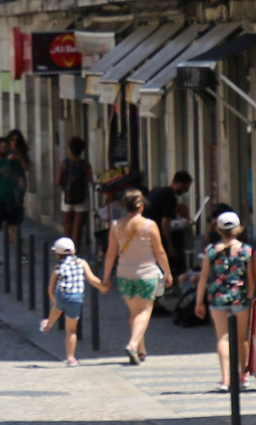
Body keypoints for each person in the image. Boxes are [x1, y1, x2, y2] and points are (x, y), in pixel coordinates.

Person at [103, 188, 171, 364]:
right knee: (144, 311)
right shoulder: (150, 225)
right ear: (141, 205)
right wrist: (167, 272)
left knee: (134, 313)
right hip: (146, 274)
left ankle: (141, 351)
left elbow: (111, 254)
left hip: (124, 274)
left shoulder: (116, 226)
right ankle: (133, 345)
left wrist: (105, 277)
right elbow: (160, 252)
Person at [201, 212, 256, 392]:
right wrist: (250, 293)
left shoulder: (211, 251)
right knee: (242, 338)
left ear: (219, 229)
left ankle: (225, 379)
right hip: (239, 295)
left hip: (217, 296)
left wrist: (198, 302)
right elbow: (251, 278)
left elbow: (203, 278)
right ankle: (244, 374)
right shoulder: (247, 250)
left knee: (223, 337)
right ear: (238, 229)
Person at [40, 235, 106, 366]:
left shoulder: (57, 268)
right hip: (76, 298)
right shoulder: (81, 263)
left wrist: (55, 301)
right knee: (71, 330)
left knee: (57, 309)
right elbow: (92, 279)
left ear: (57, 253)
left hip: (61, 295)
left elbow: (50, 289)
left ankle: (48, 325)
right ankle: (71, 358)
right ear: (74, 251)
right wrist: (103, 287)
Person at [0, 136, 29, 263]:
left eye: (7, 147)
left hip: (10, 199)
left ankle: (20, 254)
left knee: (13, 227)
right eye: (4, 148)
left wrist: (18, 180)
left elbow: (9, 175)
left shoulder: (6, 162)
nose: (6, 150)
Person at [55, 136, 93, 248]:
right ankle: (75, 252)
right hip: (81, 198)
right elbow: (90, 181)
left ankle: (65, 251)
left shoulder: (64, 164)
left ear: (70, 150)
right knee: (78, 227)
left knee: (67, 226)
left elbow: (58, 182)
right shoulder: (85, 165)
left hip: (67, 197)